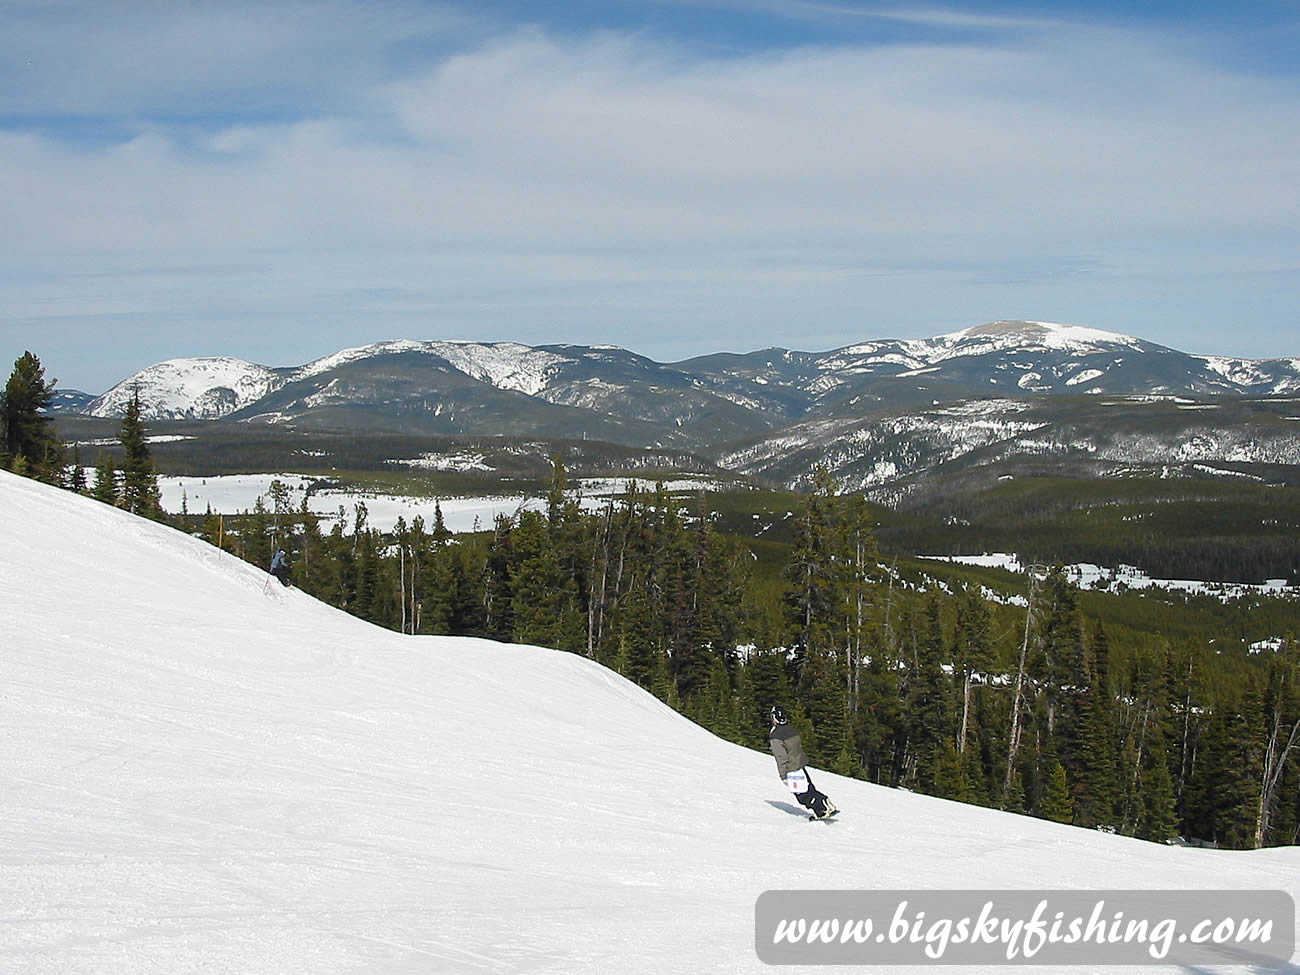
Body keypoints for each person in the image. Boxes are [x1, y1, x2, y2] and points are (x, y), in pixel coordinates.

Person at [769, 704, 837, 819]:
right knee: (808, 788)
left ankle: (822, 807)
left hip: (791, 769)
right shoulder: (791, 730)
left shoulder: (776, 735)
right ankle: (825, 804)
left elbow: (781, 757)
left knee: (802, 795)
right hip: (800, 764)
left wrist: (783, 775)